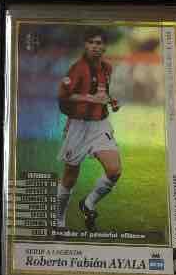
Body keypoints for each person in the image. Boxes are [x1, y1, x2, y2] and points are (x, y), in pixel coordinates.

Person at [56, 31, 121, 232]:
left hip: (100, 125)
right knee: (69, 177)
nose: (95, 46)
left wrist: (111, 101)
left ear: (104, 47)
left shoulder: (107, 68)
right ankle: (58, 221)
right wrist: (90, 99)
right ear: (85, 45)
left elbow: (102, 92)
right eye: (91, 42)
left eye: (99, 43)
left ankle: (88, 203)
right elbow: (64, 96)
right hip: (79, 126)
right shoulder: (77, 69)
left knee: (114, 170)